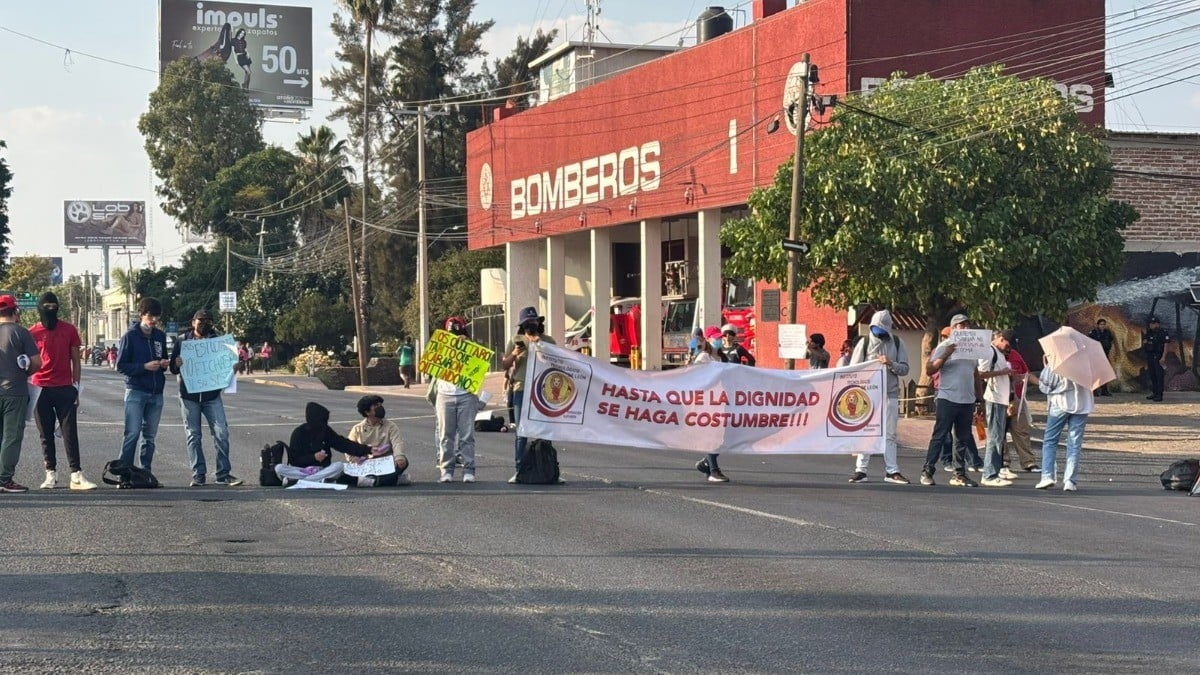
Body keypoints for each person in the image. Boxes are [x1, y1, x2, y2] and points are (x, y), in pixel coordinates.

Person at [30, 292, 96, 490]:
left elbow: (76, 359)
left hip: (65, 387)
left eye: (54, 306)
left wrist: (76, 386)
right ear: (40, 309)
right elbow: (27, 362)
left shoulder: (69, 329)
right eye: (47, 307)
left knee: (69, 432)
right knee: (45, 433)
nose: (51, 310)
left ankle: (76, 474)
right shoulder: (32, 332)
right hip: (39, 388)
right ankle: (50, 473)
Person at [169, 309, 242, 487]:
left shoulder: (218, 342)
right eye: (201, 320)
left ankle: (223, 474)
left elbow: (225, 367)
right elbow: (173, 368)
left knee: (221, 433)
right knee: (193, 435)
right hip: (189, 396)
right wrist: (177, 364)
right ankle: (198, 474)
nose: (204, 324)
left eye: (209, 321)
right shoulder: (182, 341)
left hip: (211, 395)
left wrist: (233, 368)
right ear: (193, 322)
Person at [847, 310, 911, 484]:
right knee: (867, 432)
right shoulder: (865, 342)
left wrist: (890, 363)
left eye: (882, 330)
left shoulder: (897, 342)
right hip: (868, 395)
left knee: (890, 434)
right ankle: (861, 470)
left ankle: (892, 471)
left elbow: (905, 369)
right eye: (876, 329)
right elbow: (853, 369)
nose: (879, 333)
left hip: (890, 394)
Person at [920, 313, 981, 487]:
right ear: (954, 328)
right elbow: (930, 369)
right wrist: (946, 354)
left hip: (967, 400)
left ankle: (959, 474)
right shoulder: (944, 346)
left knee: (962, 438)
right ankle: (927, 471)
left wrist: (979, 398)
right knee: (940, 435)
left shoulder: (972, 349)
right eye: (961, 325)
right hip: (948, 398)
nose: (965, 328)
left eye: (967, 325)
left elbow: (975, 373)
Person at [500, 306, 557, 483]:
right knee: (521, 431)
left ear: (538, 323)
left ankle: (548, 468)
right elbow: (504, 365)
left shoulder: (548, 341)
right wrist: (514, 354)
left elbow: (557, 362)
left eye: (533, 322)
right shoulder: (516, 340)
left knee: (545, 430)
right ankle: (519, 470)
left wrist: (540, 345)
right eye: (527, 323)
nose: (530, 325)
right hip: (521, 388)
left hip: (542, 389)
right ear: (522, 326)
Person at [115, 297, 169, 475]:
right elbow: (121, 366)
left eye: (157, 316)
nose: (154, 320)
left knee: (150, 436)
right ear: (141, 315)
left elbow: (164, 359)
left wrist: (164, 363)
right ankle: (124, 472)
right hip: (136, 390)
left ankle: (145, 472)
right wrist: (143, 367)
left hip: (156, 391)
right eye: (150, 316)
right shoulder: (130, 336)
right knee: (132, 432)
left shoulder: (159, 336)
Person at [274, 402, 388, 485]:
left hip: (322, 470)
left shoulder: (325, 430)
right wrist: (313, 457)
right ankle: (314, 480)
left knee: (339, 466)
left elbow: (342, 444)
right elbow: (294, 460)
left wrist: (368, 450)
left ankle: (302, 482)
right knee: (279, 468)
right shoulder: (299, 433)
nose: (323, 424)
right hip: (302, 470)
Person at [0, 295, 42, 493]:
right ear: (15, 312)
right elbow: (37, 362)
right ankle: (4, 479)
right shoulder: (21, 332)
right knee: (12, 436)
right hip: (15, 391)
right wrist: (25, 373)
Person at [434, 318, 481, 483]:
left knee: (467, 435)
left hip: (466, 394)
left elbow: (480, 366)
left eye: (458, 333)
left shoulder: (471, 346)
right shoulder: (440, 347)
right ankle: (446, 470)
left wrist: (468, 345)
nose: (455, 337)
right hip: (444, 394)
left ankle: (469, 470)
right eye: (451, 334)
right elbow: (431, 363)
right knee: (445, 435)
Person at [1037, 357, 1094, 491]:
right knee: (1074, 443)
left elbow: (1045, 385)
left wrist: (1047, 364)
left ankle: (1047, 475)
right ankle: (1070, 480)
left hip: (1061, 401)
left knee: (1050, 440)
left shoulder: (1058, 359)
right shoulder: (1088, 360)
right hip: (1083, 403)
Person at [976, 330, 1015, 487]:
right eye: (1007, 344)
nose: (1008, 347)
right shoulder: (989, 352)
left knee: (998, 437)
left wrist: (1009, 375)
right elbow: (980, 373)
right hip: (994, 398)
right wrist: (1002, 372)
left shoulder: (999, 353)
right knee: (994, 436)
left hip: (1001, 399)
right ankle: (989, 474)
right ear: (1001, 339)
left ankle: (995, 471)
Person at [999, 329, 1040, 474]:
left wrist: (1041, 384)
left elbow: (1026, 373)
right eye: (1007, 345)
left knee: (1022, 430)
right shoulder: (993, 356)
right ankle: (1003, 462)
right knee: (1000, 432)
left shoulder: (1015, 355)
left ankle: (1028, 462)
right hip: (999, 399)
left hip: (1017, 399)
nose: (1008, 349)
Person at [346, 395, 410, 487]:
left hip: (386, 463)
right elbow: (349, 448)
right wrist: (354, 459)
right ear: (367, 412)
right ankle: (394, 480)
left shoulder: (391, 426)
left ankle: (372, 481)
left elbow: (397, 443)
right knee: (343, 472)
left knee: (404, 462)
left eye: (380, 404)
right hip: (366, 463)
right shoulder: (357, 429)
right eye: (376, 405)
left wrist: (399, 457)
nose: (380, 407)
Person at [690, 335, 729, 482]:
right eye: (716, 338)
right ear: (709, 340)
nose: (719, 340)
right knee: (713, 436)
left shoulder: (721, 357)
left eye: (720, 338)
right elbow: (695, 375)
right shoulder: (704, 357)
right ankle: (713, 470)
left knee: (727, 437)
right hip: (708, 400)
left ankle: (707, 463)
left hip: (722, 399)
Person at [1142, 316, 1170, 401]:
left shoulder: (1163, 333)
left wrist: (1163, 357)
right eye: (1151, 324)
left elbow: (1166, 345)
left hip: (1158, 356)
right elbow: (1145, 343)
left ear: (1158, 324)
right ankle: (1154, 393)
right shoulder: (1149, 333)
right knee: (1152, 375)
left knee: (1159, 376)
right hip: (1150, 355)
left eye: (1154, 324)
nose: (1152, 325)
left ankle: (1159, 395)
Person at [1087, 319, 1115, 396]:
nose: (1102, 326)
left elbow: (1111, 340)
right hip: (1096, 355)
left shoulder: (1107, 332)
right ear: (1098, 325)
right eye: (1101, 324)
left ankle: (1104, 390)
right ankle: (1095, 390)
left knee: (1104, 373)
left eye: (1104, 324)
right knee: (1096, 373)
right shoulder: (1094, 332)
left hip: (1105, 354)